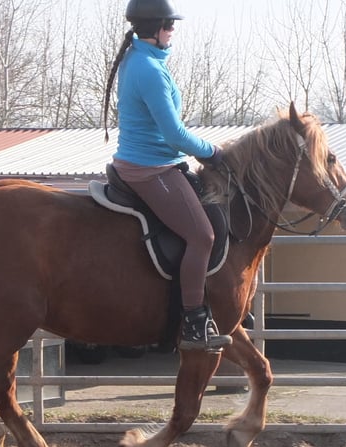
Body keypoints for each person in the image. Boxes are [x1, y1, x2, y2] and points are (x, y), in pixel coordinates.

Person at [103, 0, 232, 351]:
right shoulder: (148, 68)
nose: (174, 31)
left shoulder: (146, 60)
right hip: (150, 168)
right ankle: (193, 322)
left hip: (160, 162)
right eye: (171, 25)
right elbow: (175, 134)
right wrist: (213, 152)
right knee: (202, 235)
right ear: (157, 27)